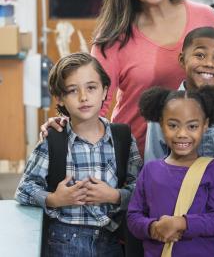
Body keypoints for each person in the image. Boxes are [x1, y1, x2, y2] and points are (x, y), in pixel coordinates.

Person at [42, 0, 214, 158]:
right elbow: (94, 101)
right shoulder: (113, 36)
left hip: (202, 152)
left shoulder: (207, 17)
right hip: (135, 157)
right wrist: (65, 124)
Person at [15, 53, 142, 257]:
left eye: (91, 87)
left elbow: (141, 189)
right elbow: (24, 189)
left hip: (111, 241)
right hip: (62, 242)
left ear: (105, 91)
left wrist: (115, 195)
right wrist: (54, 199)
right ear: (60, 98)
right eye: (73, 90)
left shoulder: (123, 138)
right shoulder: (53, 140)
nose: (83, 97)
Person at [128, 86, 214, 256]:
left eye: (192, 126)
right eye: (173, 125)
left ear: (205, 125)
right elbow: (133, 217)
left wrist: (181, 223)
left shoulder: (213, 169)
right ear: (161, 124)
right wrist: (152, 227)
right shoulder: (150, 170)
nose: (182, 134)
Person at [144, 27, 214, 176]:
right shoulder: (163, 109)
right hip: (175, 196)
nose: (209, 63)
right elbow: (154, 168)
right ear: (182, 60)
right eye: (200, 55)